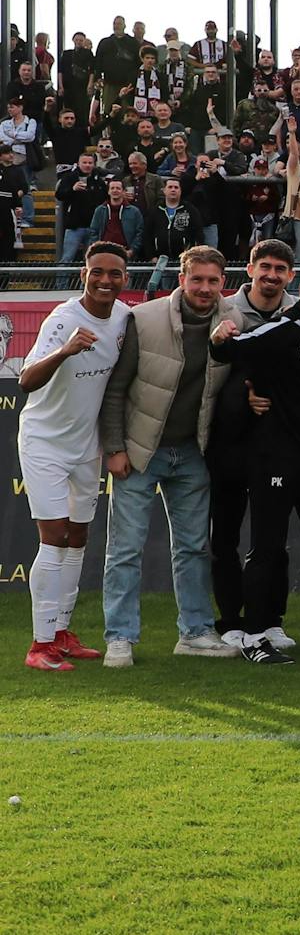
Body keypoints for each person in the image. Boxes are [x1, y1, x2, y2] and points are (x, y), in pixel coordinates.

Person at [98, 245, 246, 666]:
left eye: (212, 281)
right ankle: (120, 637)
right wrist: (114, 448)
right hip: (140, 452)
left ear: (223, 284)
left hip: (193, 453)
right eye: (196, 279)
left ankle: (196, 632)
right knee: (124, 549)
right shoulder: (142, 319)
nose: (204, 288)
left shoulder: (232, 322)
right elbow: (115, 389)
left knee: (195, 548)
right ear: (181, 280)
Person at [206, 259, 300, 664]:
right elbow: (229, 349)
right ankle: (253, 636)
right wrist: (220, 337)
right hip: (274, 456)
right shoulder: (284, 328)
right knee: (267, 546)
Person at [20, 243, 131, 672]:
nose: (105, 280)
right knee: (54, 538)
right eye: (97, 272)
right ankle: (39, 644)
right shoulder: (63, 319)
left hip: (88, 445)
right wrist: (65, 350)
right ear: (82, 274)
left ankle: (62, 633)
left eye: (115, 274)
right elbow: (28, 379)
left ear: (125, 277)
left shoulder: (124, 317)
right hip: (45, 442)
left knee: (78, 538)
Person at [207, 240, 299, 644]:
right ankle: (230, 620)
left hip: (277, 443)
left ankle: (271, 618)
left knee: (273, 538)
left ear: (291, 275)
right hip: (228, 441)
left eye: (280, 268)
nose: (272, 275)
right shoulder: (222, 310)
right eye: (265, 266)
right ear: (250, 269)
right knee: (224, 536)